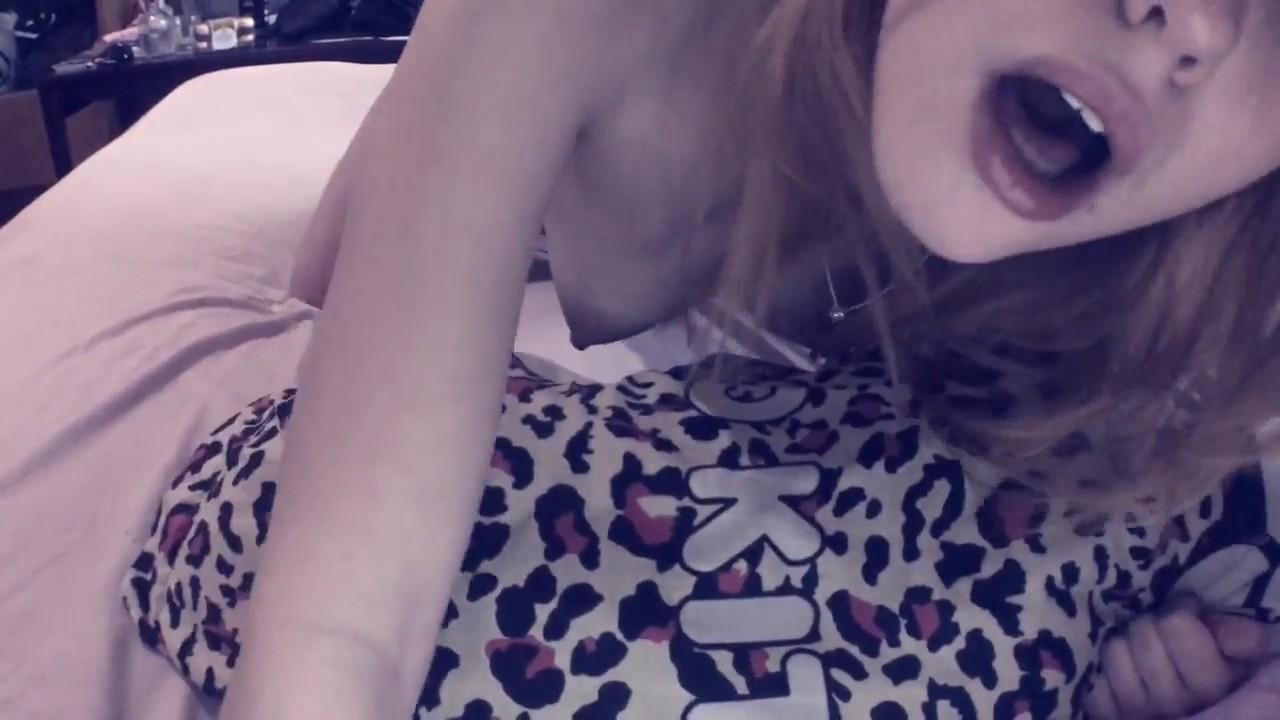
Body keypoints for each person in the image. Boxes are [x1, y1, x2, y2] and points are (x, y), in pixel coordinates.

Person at [125, 1, 1280, 719]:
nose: (1200, 23)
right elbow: (344, 633)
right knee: (334, 272)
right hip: (585, 182)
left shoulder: (1216, 224)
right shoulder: (580, 28)